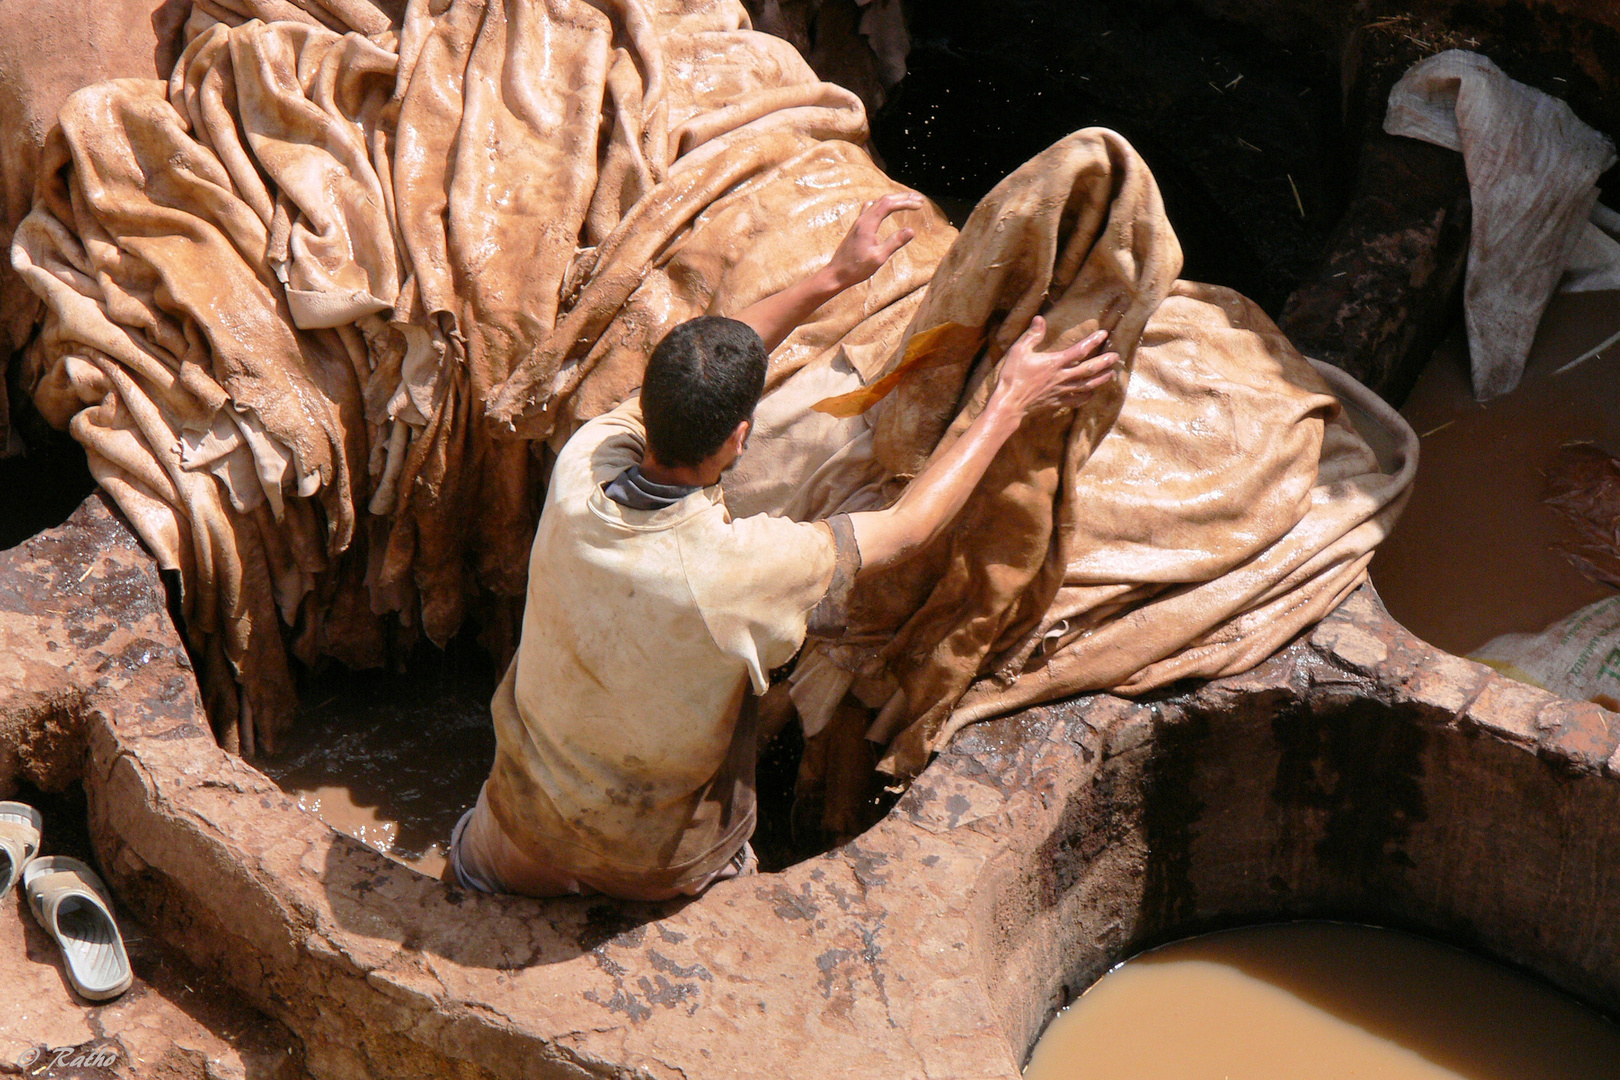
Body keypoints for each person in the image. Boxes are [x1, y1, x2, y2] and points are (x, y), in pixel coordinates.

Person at [449, 192, 1120, 900]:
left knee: (469, 865)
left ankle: (467, 880)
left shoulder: (587, 462)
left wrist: (834, 277)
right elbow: (910, 526)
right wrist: (1008, 401)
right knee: (732, 890)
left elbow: (723, 354)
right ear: (741, 436)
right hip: (649, 865)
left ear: (648, 409)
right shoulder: (738, 569)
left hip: (519, 832)